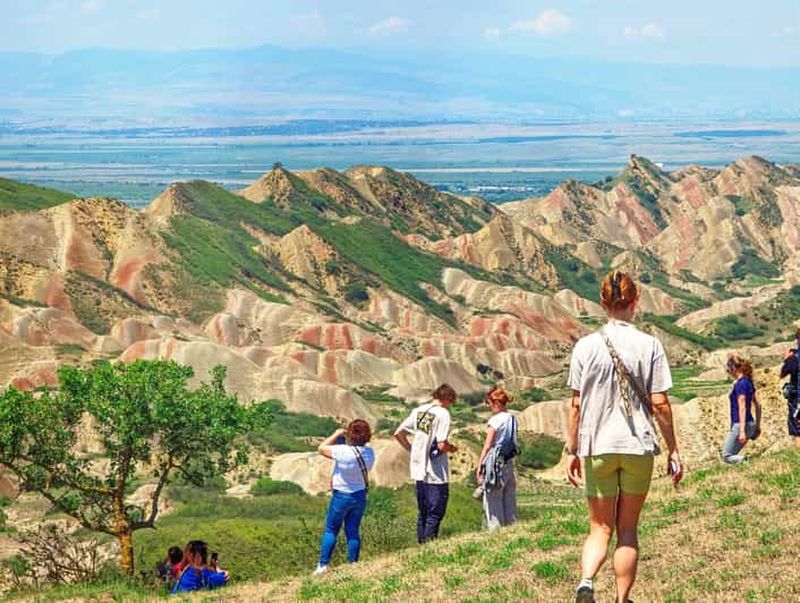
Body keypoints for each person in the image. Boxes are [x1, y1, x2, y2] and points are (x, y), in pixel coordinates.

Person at [566, 270, 682, 603]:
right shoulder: (650, 345)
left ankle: (586, 583)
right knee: (627, 529)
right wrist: (673, 449)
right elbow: (660, 403)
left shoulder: (585, 347)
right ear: (635, 301)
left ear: (602, 302)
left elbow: (576, 405)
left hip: (597, 446)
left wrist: (572, 450)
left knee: (599, 528)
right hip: (637, 447)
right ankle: (622, 598)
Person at [394, 384, 458, 544]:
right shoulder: (443, 414)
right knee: (435, 513)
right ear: (447, 399)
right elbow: (442, 445)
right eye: (451, 402)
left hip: (418, 469)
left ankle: (421, 546)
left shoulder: (419, 411)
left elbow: (398, 433)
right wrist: (452, 448)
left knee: (423, 512)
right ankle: (429, 546)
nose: (450, 405)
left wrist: (412, 449)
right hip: (435, 471)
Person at [313, 420, 375, 576]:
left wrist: (337, 434)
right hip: (359, 495)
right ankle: (353, 563)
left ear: (351, 434)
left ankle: (323, 565)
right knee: (352, 530)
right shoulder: (370, 453)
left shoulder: (342, 451)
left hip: (341, 495)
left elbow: (321, 448)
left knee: (331, 530)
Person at [475, 386, 519, 530]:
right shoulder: (512, 418)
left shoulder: (495, 420)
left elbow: (488, 446)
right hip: (508, 462)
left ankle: (496, 533)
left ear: (495, 402)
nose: (489, 406)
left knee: (493, 502)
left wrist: (480, 466)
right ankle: (513, 531)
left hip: (495, 464)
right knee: (509, 502)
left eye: (489, 403)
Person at [721, 355, 762, 464]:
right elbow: (758, 405)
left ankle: (747, 462)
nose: (729, 372)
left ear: (734, 368)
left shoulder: (740, 384)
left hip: (740, 425)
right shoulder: (748, 382)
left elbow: (742, 407)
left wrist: (742, 432)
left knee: (726, 456)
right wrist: (757, 426)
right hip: (750, 424)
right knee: (733, 454)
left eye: (729, 369)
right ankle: (743, 464)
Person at [780, 346, 800, 447]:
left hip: (797, 399)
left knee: (797, 429)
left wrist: (787, 358)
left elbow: (783, 373)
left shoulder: (794, 358)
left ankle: (798, 451)